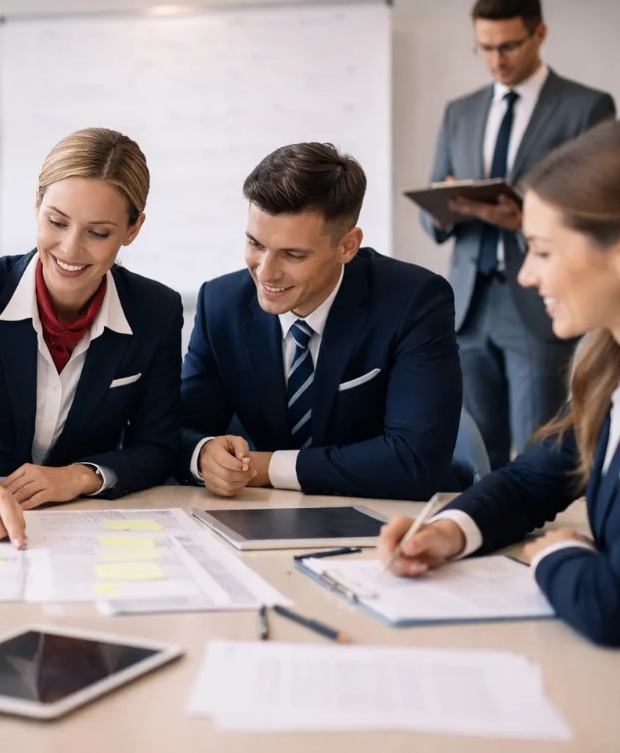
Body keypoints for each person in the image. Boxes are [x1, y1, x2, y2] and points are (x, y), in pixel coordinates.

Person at [385, 119, 620, 738]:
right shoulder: (619, 367)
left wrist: (559, 552)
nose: (525, 275)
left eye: (543, 252)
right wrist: (447, 531)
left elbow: (618, 605)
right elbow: (530, 479)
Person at [0, 127, 182, 544]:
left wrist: (78, 478)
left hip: (81, 522)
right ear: (37, 204)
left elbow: (157, 447)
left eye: (98, 233)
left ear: (133, 230)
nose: (70, 249)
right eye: (57, 222)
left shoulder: (155, 311)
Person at [180, 142, 461, 500]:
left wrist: (268, 467)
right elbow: (176, 429)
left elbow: (413, 460)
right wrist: (204, 454)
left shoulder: (415, 301)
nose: (265, 272)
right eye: (256, 244)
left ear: (347, 246)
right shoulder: (221, 304)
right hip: (263, 517)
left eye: (293, 254)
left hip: (388, 517)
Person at [422, 0, 616, 470]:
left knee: (539, 447)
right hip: (467, 303)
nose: (497, 60)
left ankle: (536, 545)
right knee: (474, 452)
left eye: (508, 46)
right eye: (485, 48)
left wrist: (525, 218)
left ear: (539, 34)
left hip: (537, 298)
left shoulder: (585, 107)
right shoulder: (460, 112)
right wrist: (444, 207)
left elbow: (598, 208)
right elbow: (430, 214)